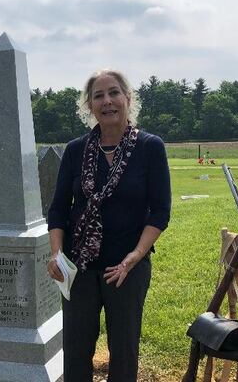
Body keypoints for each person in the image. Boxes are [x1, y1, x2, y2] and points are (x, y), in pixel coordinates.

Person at [47, 69, 171, 381]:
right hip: (80, 269)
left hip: (126, 269)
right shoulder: (75, 151)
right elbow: (59, 209)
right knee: (75, 353)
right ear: (89, 106)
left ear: (128, 99)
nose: (107, 101)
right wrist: (56, 254)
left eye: (114, 93)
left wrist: (135, 257)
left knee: (123, 353)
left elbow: (160, 211)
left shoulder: (149, 147)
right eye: (98, 96)